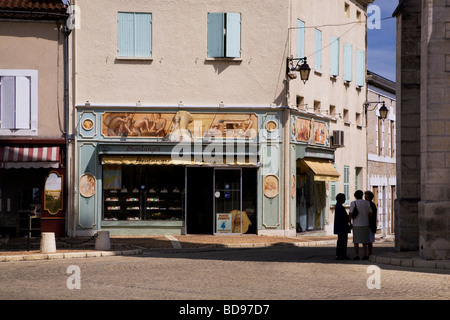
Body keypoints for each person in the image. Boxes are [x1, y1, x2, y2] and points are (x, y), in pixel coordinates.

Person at [349, 190, 372, 260]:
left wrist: (350, 223)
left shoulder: (353, 203)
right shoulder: (367, 203)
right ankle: (365, 255)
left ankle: (357, 255)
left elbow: (350, 213)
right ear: (362, 195)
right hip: (365, 224)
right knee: (365, 242)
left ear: (355, 196)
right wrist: (367, 219)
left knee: (356, 241)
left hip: (356, 224)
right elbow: (371, 213)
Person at [333, 193, 350, 260]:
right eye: (344, 198)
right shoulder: (340, 207)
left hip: (340, 227)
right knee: (343, 241)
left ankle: (339, 254)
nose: (345, 199)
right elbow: (343, 217)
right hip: (342, 227)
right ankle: (342, 255)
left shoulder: (338, 206)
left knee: (340, 241)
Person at [364, 191, 378, 257]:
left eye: (366, 197)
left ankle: (369, 253)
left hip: (370, 225)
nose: (365, 198)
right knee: (368, 241)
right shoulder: (370, 205)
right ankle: (368, 253)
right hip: (368, 224)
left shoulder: (371, 205)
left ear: (370, 198)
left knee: (369, 241)